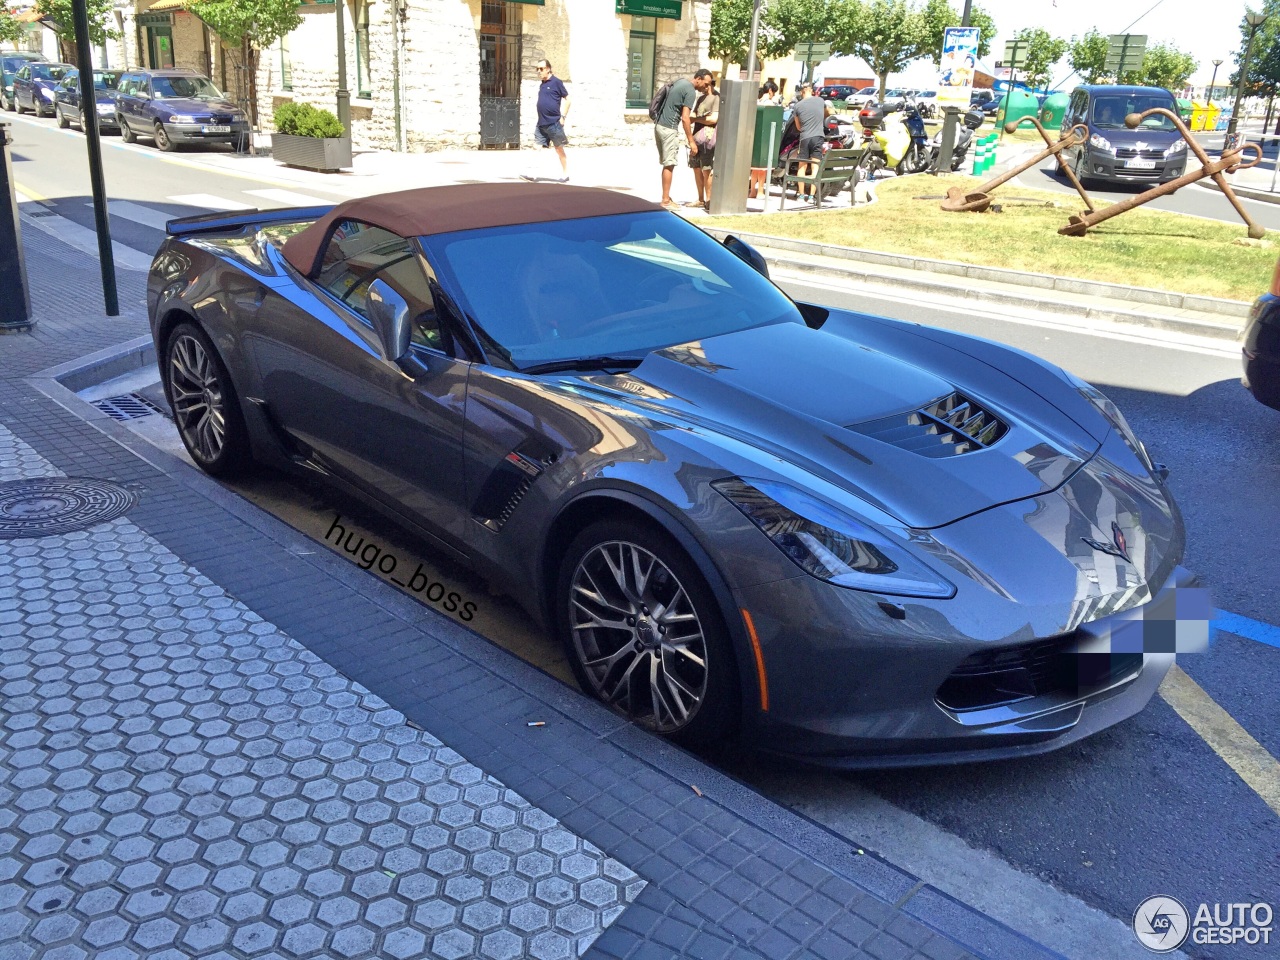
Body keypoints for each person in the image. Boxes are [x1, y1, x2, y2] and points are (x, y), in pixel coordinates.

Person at [654, 68, 713, 210]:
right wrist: (691, 141)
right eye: (706, 84)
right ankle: (665, 200)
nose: (707, 87)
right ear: (698, 79)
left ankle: (666, 197)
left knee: (666, 163)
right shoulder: (690, 91)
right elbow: (685, 118)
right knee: (669, 164)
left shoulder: (680, 82)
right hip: (669, 129)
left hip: (659, 126)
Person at [522, 59, 570, 182]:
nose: (539, 71)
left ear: (548, 69)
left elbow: (568, 100)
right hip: (541, 123)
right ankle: (532, 174)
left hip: (554, 123)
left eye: (541, 69)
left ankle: (565, 174)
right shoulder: (542, 84)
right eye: (537, 69)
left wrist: (563, 117)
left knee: (559, 149)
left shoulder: (557, 82)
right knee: (536, 147)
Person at [790, 82, 827, 201]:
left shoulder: (797, 106)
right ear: (812, 90)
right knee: (815, 166)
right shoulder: (820, 101)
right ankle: (811, 196)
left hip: (805, 137)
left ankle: (801, 195)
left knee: (802, 166)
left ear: (802, 92)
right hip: (818, 137)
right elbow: (826, 114)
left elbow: (798, 126)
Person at [689, 80, 719, 210]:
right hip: (696, 137)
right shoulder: (700, 98)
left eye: (707, 85)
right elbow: (693, 114)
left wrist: (697, 119)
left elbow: (713, 119)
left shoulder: (717, 97)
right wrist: (699, 118)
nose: (704, 87)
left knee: (706, 169)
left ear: (711, 84)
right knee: (696, 167)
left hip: (708, 139)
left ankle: (709, 200)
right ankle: (700, 199)